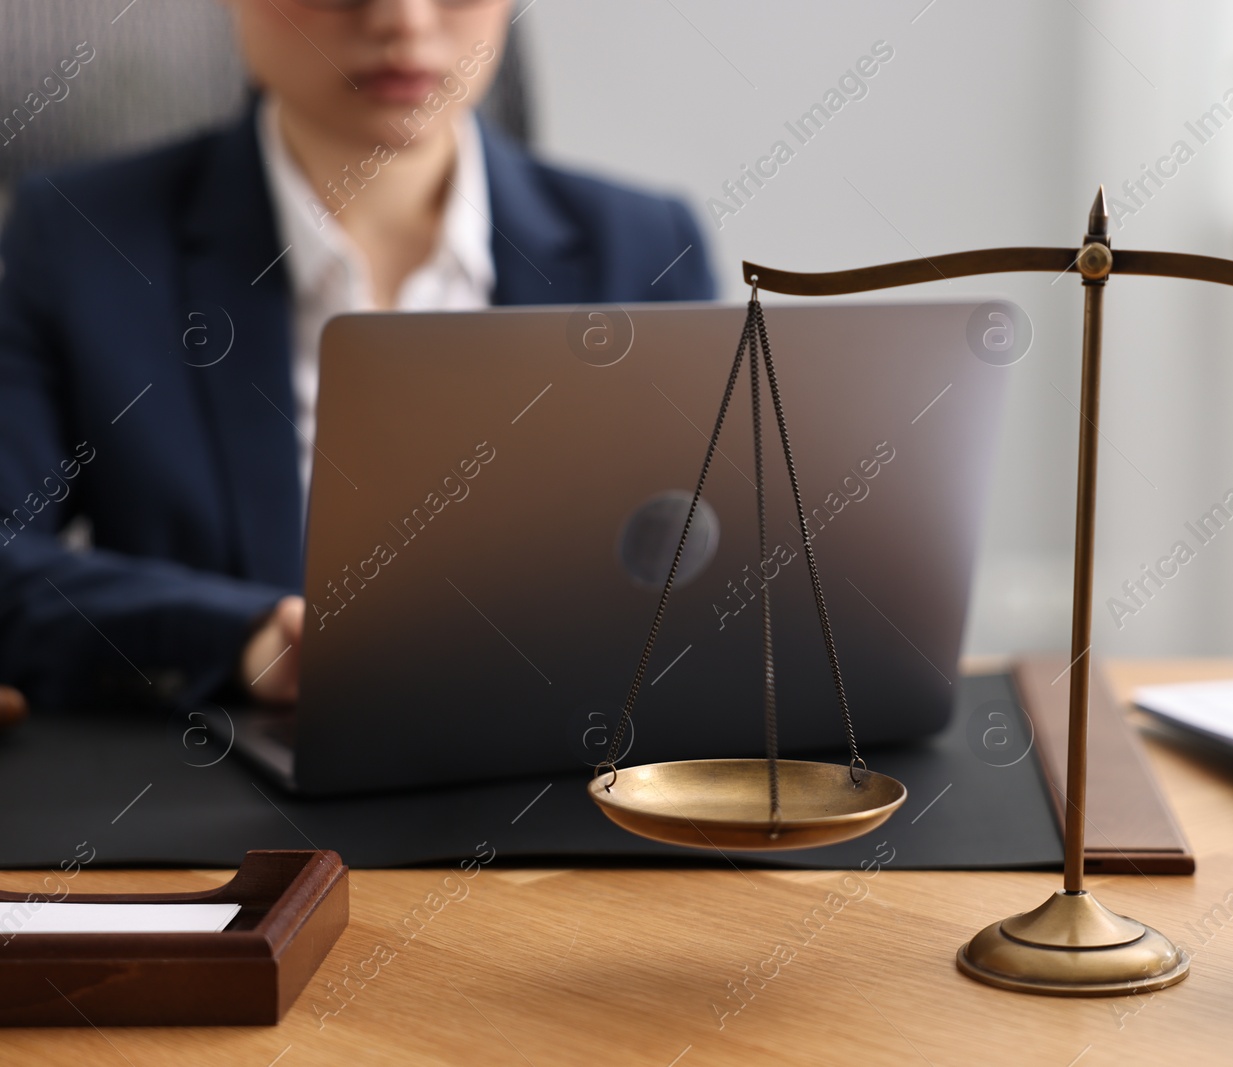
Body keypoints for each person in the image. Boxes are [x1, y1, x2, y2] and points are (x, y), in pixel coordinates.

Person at [0, 0, 714, 712]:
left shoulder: (647, 249)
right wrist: (243, 638)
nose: (404, 20)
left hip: (566, 778)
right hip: (229, 794)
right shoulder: (81, 241)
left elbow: (713, 570)